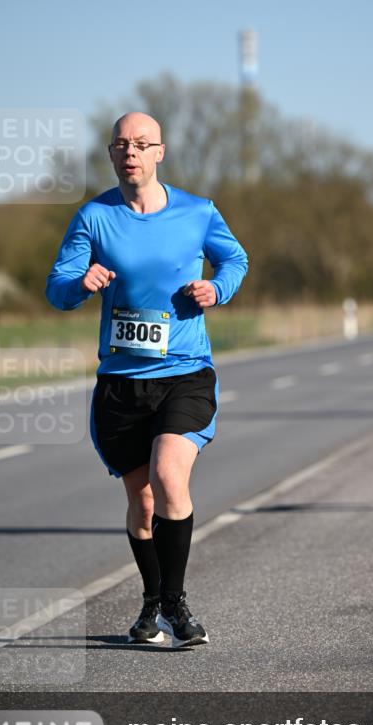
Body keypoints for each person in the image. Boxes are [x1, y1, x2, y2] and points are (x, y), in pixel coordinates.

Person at [46, 112, 248, 647]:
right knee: (143, 504)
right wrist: (81, 283)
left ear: (160, 152)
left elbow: (235, 259)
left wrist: (217, 289)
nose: (130, 152)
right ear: (111, 154)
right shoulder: (94, 217)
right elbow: (57, 287)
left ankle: (176, 607)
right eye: (121, 144)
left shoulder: (198, 212)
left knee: (168, 475)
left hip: (185, 373)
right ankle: (152, 601)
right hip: (121, 382)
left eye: (141, 144)